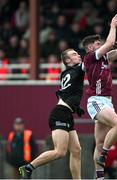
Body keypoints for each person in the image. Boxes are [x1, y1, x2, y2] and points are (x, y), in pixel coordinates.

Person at [19, 49, 85, 179]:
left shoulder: (67, 72)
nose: (78, 55)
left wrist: (75, 107)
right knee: (60, 152)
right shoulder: (76, 70)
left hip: (66, 113)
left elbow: (66, 94)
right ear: (68, 61)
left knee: (76, 151)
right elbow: (95, 57)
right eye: (74, 54)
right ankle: (29, 167)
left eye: (77, 53)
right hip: (60, 114)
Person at [82, 14, 117, 179]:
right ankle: (104, 154)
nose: (99, 44)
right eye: (96, 43)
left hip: (107, 102)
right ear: (89, 48)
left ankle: (99, 177)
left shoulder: (104, 58)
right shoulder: (89, 58)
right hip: (96, 101)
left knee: (99, 143)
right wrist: (113, 26)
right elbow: (109, 44)